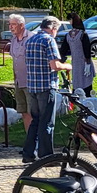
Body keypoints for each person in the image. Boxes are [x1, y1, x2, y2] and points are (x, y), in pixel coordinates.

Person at [22, 16, 70, 162]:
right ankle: (47, 157)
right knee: (47, 122)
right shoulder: (49, 40)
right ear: (53, 28)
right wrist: (68, 66)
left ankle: (28, 154)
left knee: (35, 121)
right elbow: (55, 66)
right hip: (46, 86)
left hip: (32, 86)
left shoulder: (30, 40)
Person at [7, 14, 33, 137]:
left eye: (13, 24)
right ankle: (29, 140)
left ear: (22, 25)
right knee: (23, 112)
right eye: (9, 24)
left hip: (30, 82)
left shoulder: (31, 39)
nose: (10, 27)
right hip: (18, 82)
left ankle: (35, 141)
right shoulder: (13, 40)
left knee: (32, 112)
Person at [65, 13, 96, 101]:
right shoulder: (75, 34)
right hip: (79, 62)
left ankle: (83, 101)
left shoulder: (76, 35)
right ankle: (82, 101)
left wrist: (88, 62)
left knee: (81, 81)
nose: (69, 22)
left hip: (82, 62)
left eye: (70, 20)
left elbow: (86, 49)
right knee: (81, 81)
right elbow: (65, 49)